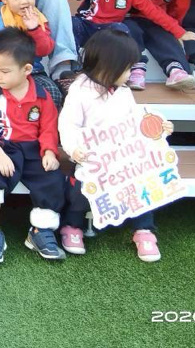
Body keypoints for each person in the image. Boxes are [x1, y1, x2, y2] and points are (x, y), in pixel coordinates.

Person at [59, 30, 175, 262]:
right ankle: (73, 225)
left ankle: (144, 229)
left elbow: (135, 121)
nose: (131, 74)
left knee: (141, 182)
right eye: (128, 68)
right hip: (91, 158)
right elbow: (68, 124)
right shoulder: (80, 91)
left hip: (122, 157)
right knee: (81, 188)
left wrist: (158, 127)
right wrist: (74, 149)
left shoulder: (123, 92)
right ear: (109, 66)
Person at [0, 29, 68, 264]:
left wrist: (49, 151)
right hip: (2, 147)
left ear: (26, 69)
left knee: (52, 178)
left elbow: (48, 128)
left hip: (33, 148)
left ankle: (40, 231)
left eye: (4, 71)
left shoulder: (42, 96)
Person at [0, 0, 66, 107]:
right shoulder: (1, 19)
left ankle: (40, 120)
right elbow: (0, 50)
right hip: (3, 71)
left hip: (32, 70)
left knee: (53, 93)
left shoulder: (38, 18)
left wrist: (34, 29)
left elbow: (44, 50)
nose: (24, 1)